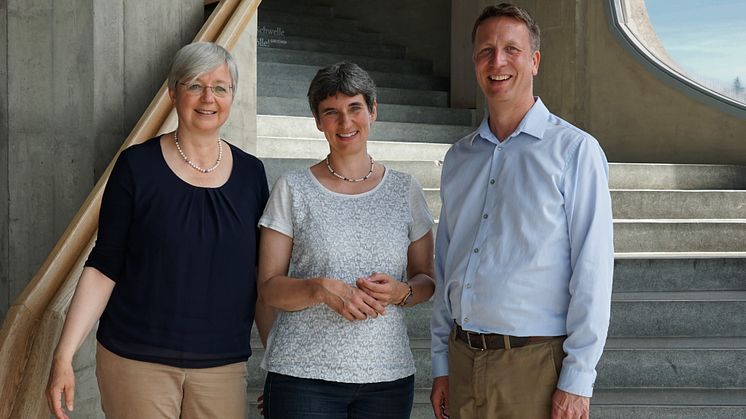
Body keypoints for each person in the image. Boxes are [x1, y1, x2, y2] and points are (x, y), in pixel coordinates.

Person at [45, 42, 271, 419]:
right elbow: (104, 266)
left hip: (222, 365)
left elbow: (260, 278)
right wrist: (64, 355)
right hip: (136, 361)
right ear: (172, 92)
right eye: (194, 85)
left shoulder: (251, 174)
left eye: (220, 87)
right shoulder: (136, 167)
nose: (207, 98)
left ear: (232, 95)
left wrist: (276, 365)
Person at [430, 3, 614, 419]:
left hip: (534, 367)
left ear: (534, 61)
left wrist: (577, 380)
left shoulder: (574, 151)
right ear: (475, 63)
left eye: (511, 49)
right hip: (462, 361)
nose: (497, 62)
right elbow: (447, 266)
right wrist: (441, 363)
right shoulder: (459, 158)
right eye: (485, 51)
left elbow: (593, 271)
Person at [257, 61, 435, 419]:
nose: (345, 122)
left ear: (373, 110)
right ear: (318, 121)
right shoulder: (292, 188)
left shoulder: (405, 190)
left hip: (387, 377)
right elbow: (269, 288)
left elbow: (426, 280)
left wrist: (402, 291)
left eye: (355, 108)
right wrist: (320, 289)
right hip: (302, 375)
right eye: (331, 112)